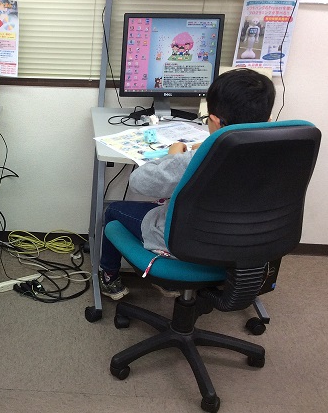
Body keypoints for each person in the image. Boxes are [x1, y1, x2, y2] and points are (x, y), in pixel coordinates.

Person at [99, 68, 276, 300]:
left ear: (214, 121)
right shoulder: (282, 152)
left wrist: (172, 157)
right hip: (247, 246)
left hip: (186, 243)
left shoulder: (198, 160)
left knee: (113, 210)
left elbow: (138, 182)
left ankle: (110, 277)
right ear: (267, 120)